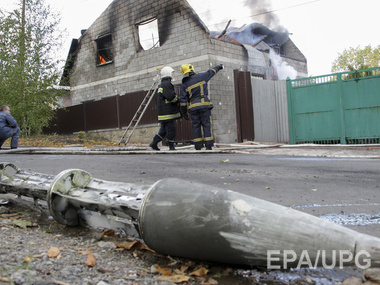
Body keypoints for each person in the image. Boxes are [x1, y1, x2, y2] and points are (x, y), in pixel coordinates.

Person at [179, 63, 223, 150]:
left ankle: (198, 146)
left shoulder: (184, 84)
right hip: (204, 106)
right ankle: (208, 146)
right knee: (206, 125)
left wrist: (184, 113)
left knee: (196, 126)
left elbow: (183, 101)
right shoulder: (202, 76)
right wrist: (219, 66)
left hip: (193, 108)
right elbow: (212, 71)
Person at [149, 67, 181, 151]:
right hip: (168, 111)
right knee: (171, 128)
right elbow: (171, 97)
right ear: (168, 74)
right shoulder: (167, 84)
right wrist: (178, 100)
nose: (172, 75)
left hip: (163, 111)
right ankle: (171, 145)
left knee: (163, 129)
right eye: (172, 73)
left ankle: (154, 143)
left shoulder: (162, 84)